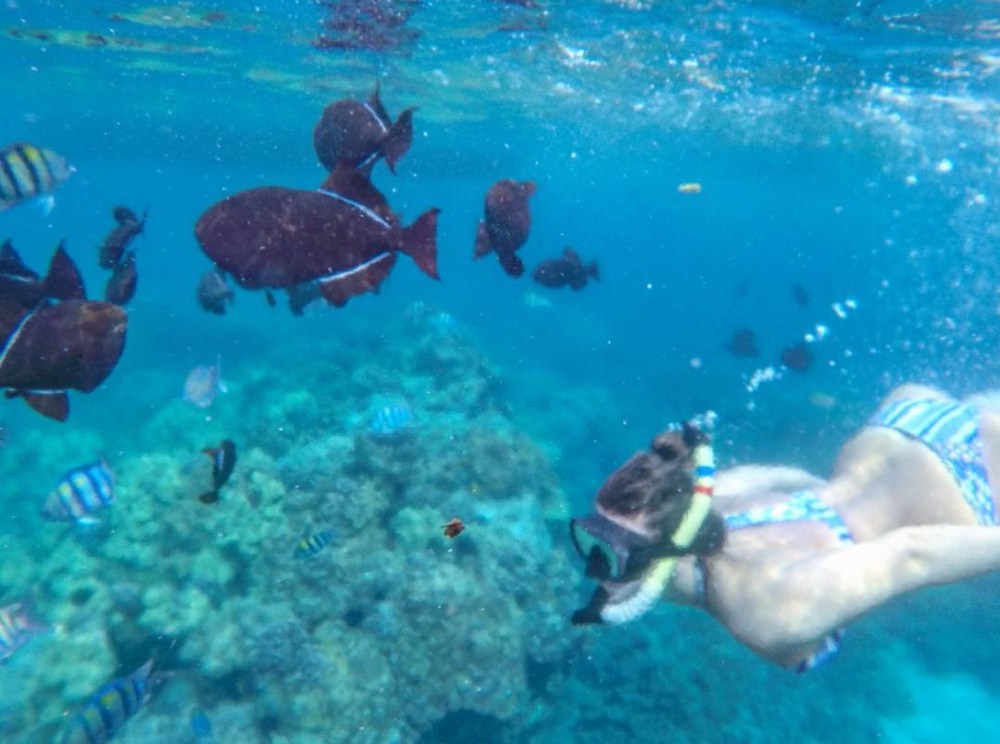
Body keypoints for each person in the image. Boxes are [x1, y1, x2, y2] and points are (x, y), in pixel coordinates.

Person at [569, 384, 1000, 673]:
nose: (598, 575)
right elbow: (775, 472)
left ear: (667, 553)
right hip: (905, 419)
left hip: (972, 484)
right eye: (592, 542)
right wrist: (827, 496)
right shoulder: (707, 502)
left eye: (612, 553)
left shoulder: (768, 613)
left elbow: (913, 551)